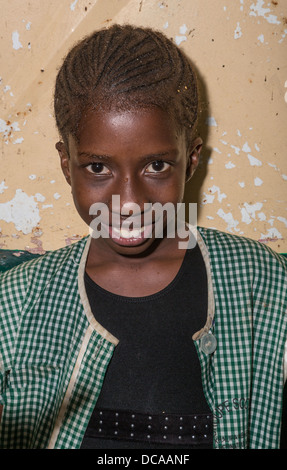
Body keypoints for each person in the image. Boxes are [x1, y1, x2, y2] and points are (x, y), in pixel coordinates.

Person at [0, 24, 286, 450]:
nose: (129, 202)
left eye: (156, 166)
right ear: (67, 164)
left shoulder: (265, 285)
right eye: (98, 168)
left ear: (191, 159)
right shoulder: (17, 303)